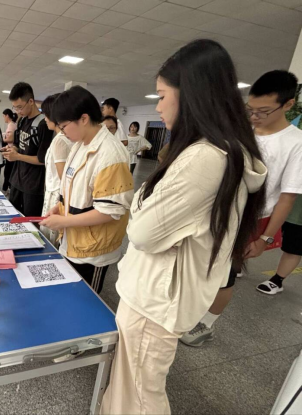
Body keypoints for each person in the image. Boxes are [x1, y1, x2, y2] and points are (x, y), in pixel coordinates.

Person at [100, 39, 267, 415]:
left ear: (191, 94)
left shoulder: (204, 158)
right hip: (159, 294)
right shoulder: (222, 151)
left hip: (155, 301)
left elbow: (141, 232)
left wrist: (141, 203)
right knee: (130, 386)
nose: (158, 106)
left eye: (162, 96)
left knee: (140, 395)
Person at [182, 70, 302, 346]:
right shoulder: (241, 130)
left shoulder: (296, 143)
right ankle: (187, 311)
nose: (255, 116)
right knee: (200, 265)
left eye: (263, 111)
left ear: (288, 104)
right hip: (214, 209)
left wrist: (265, 238)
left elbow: (287, 197)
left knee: (225, 275)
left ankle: (206, 324)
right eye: (251, 109)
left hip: (249, 220)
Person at [40, 86, 133, 296]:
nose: (62, 132)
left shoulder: (110, 154)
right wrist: (59, 208)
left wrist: (65, 221)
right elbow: (75, 191)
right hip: (73, 241)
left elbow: (110, 211)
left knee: (86, 300)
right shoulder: (79, 145)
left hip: (93, 250)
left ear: (83, 118)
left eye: (64, 126)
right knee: (69, 297)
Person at [3, 82, 53, 217]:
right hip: (17, 179)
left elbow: (43, 160)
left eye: (20, 107)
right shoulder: (22, 121)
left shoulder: (43, 125)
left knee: (30, 222)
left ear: (31, 101)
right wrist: (11, 150)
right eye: (15, 108)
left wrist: (18, 156)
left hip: (33, 185)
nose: (17, 111)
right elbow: (18, 145)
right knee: (13, 217)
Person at [39, 93, 73, 246]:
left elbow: (63, 178)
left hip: (56, 194)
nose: (45, 119)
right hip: (54, 192)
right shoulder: (62, 138)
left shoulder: (60, 141)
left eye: (46, 115)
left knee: (51, 238)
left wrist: (60, 202)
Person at [257, 195, 301, 295]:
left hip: (297, 215)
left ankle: (277, 280)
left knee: (293, 248)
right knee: (254, 233)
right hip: (275, 203)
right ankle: (237, 265)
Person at [2, 109, 18, 193]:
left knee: (8, 172)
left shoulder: (11, 125)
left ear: (7, 115)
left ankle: (6, 190)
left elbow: (11, 139)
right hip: (9, 149)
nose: (3, 118)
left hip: (12, 152)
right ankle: (7, 189)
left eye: (3, 116)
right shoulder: (11, 125)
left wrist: (3, 138)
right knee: (8, 172)